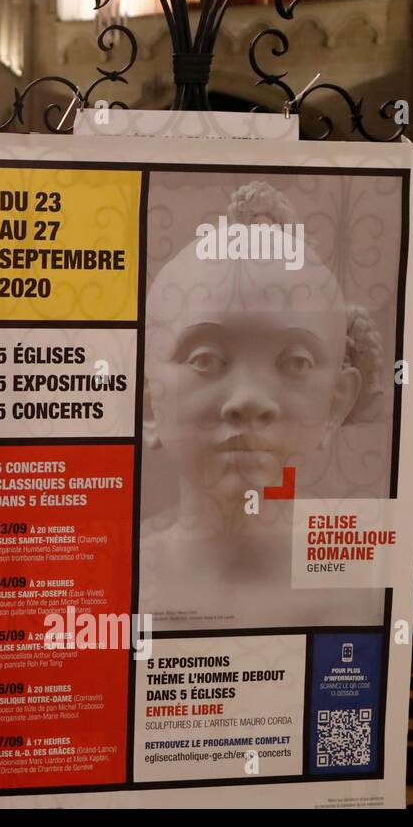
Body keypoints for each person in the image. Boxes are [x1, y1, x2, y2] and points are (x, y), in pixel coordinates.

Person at [138, 180, 385, 630]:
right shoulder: (112, 581)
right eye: (206, 359)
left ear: (336, 405)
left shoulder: (359, 595)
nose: (250, 399)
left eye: (295, 362)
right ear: (148, 399)